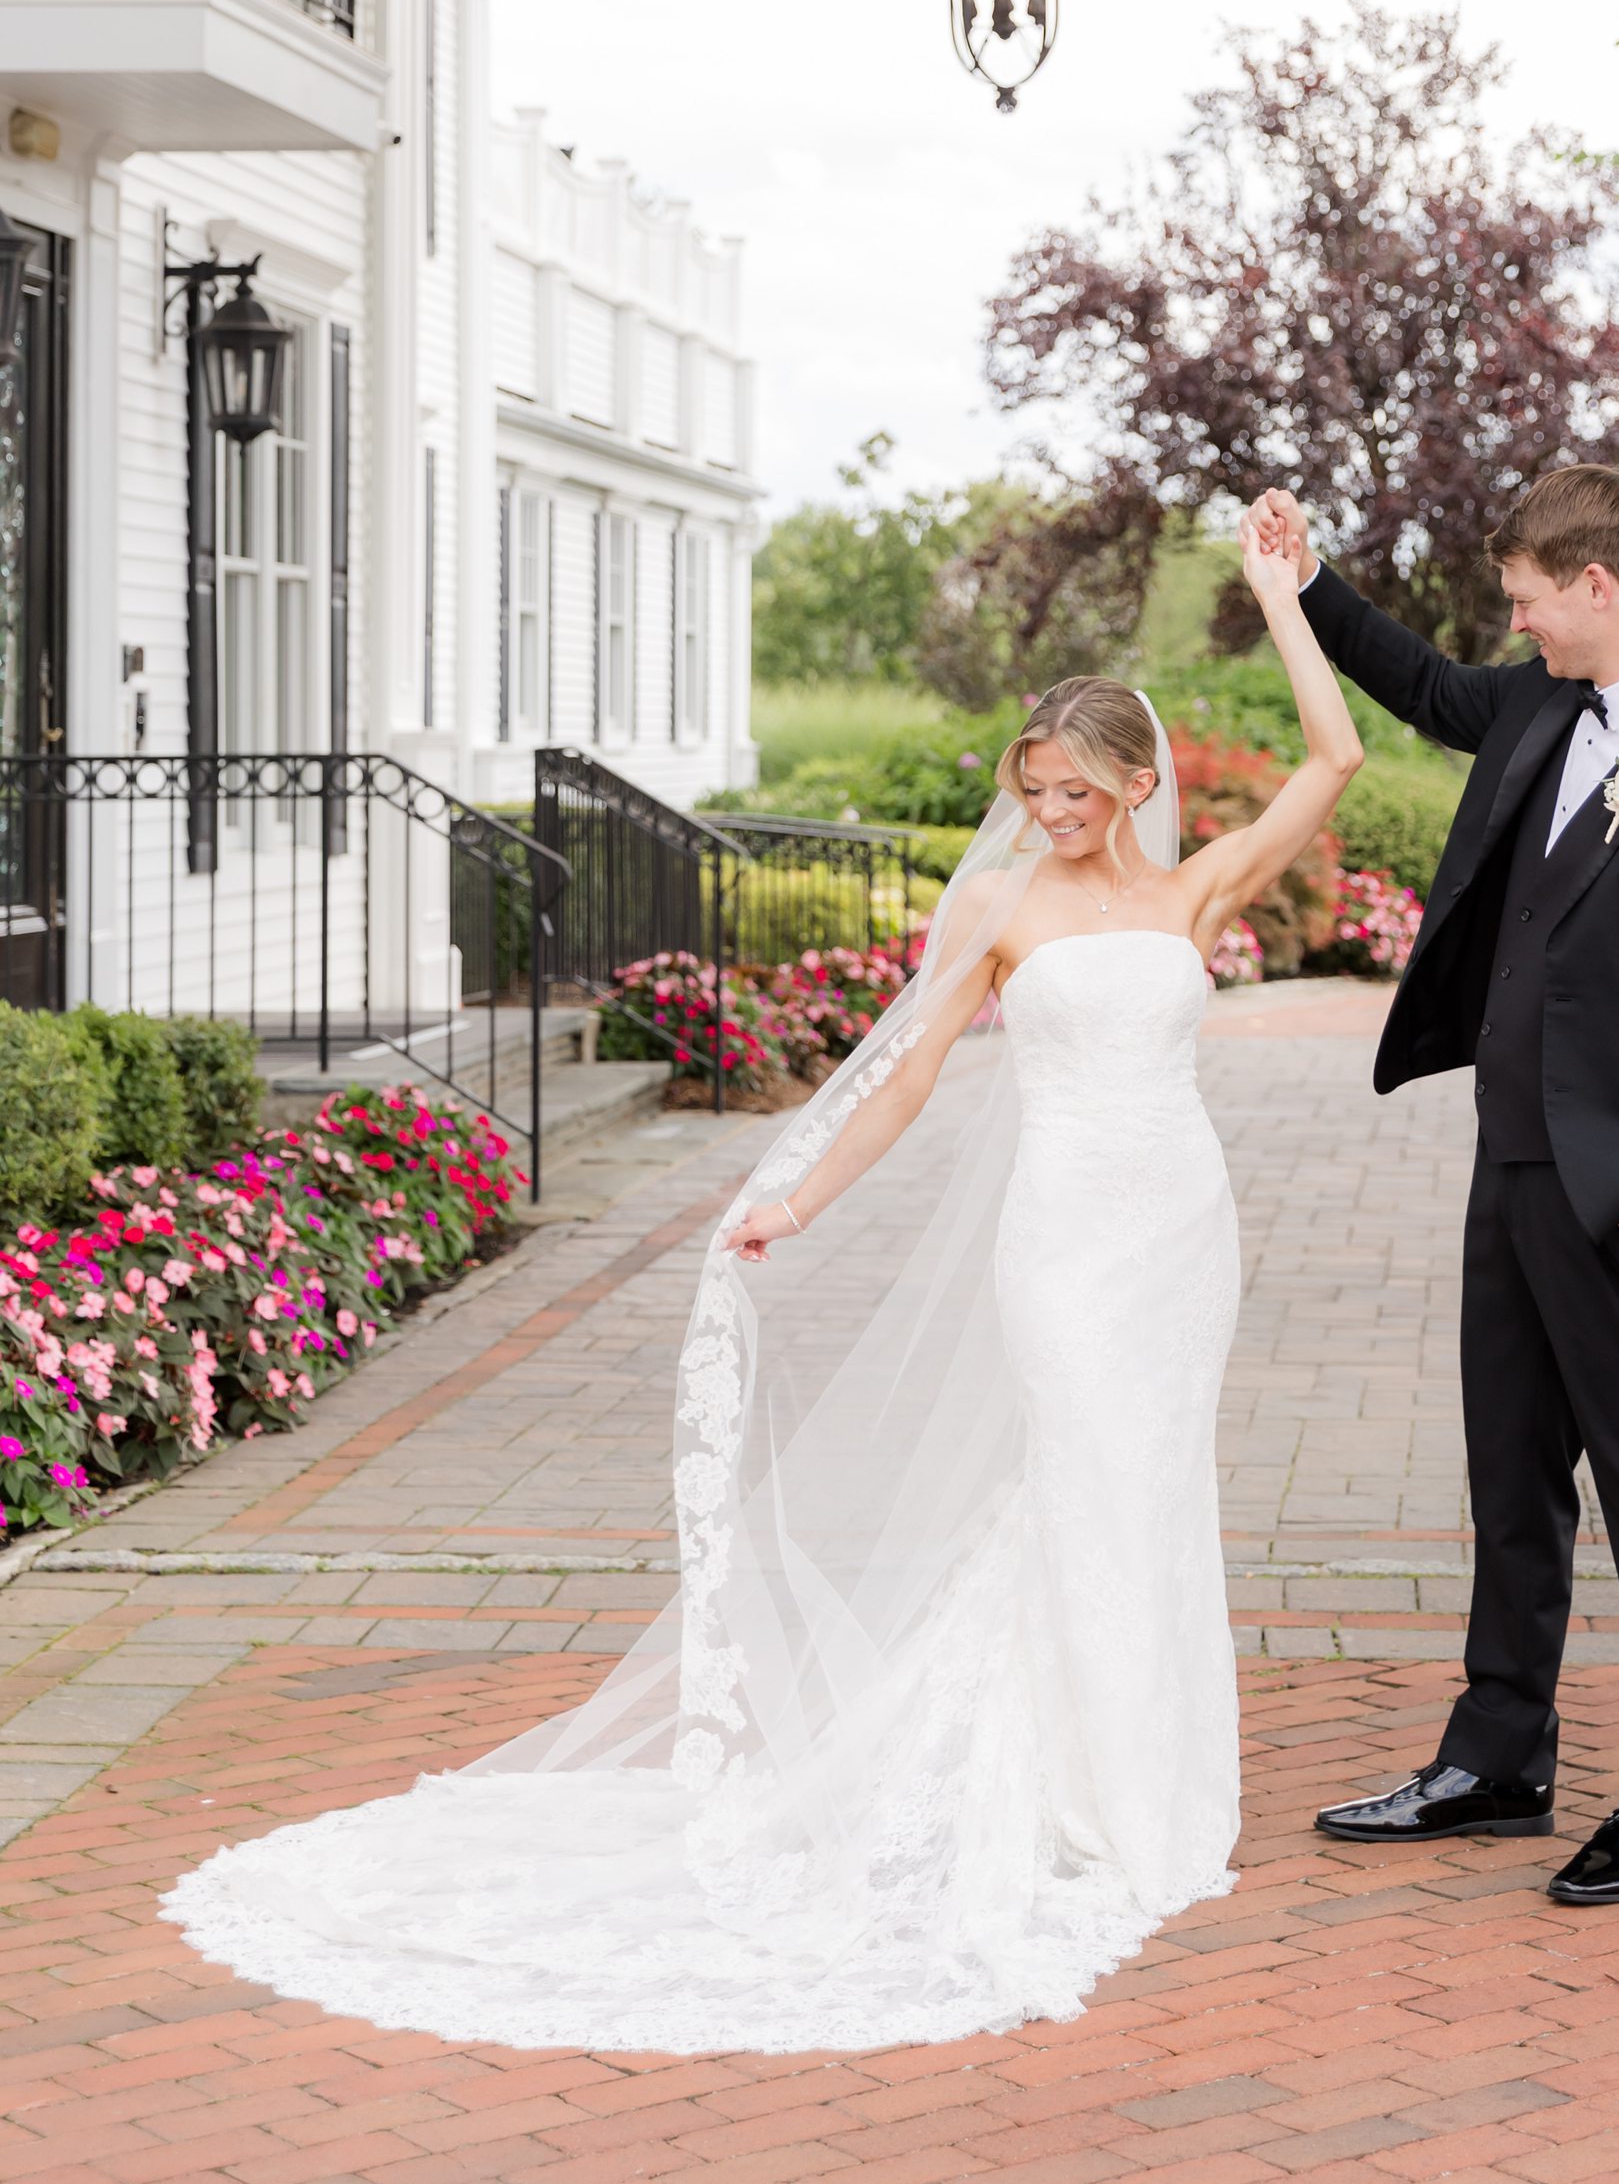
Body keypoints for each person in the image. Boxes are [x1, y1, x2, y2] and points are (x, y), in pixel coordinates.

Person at [161, 524, 1360, 2056]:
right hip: (1061, 1241)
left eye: (1074, 790)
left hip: (1182, 1232)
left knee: (1152, 1488)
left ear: (1136, 783)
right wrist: (794, 1191)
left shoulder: (1195, 889)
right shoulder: (998, 915)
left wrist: (1278, 597)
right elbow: (910, 1077)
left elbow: (1333, 757)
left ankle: (1147, 1790)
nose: (1050, 816)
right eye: (1032, 794)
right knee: (1078, 1479)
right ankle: (1072, 1796)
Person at [1244, 464, 1619, 1906]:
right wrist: (1307, 581)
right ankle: (1496, 1757)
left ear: (1598, 585)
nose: (1520, 626)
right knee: (1511, 1478)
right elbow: (1424, 686)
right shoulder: (1538, 708)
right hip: (1509, 1166)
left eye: (1527, 600)